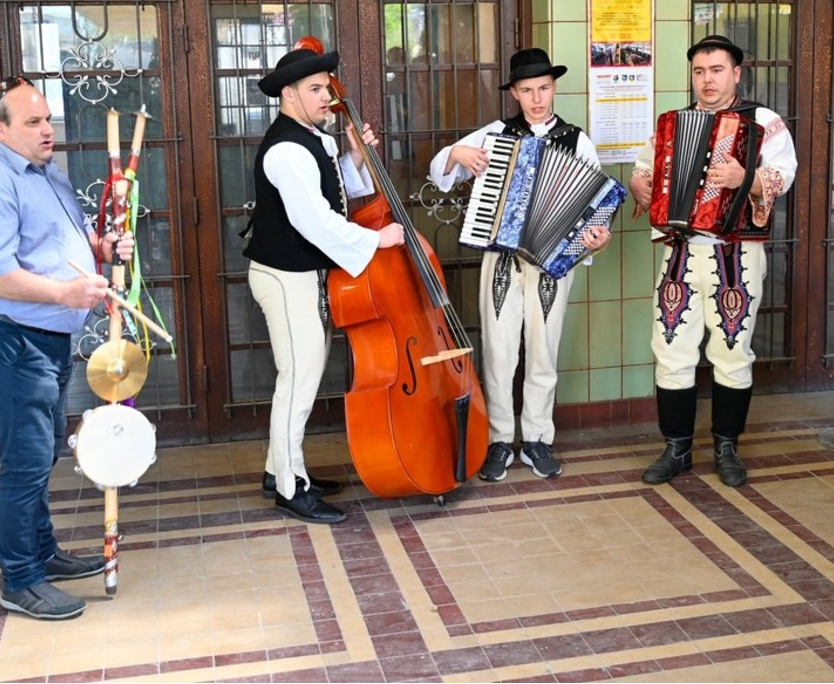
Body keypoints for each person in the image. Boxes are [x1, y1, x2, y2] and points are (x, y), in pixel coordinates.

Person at [0, 76, 135, 620]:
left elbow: (63, 241)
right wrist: (64, 292)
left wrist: (102, 247)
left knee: (45, 446)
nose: (47, 129)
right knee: (26, 458)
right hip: (9, 337)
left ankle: (42, 553)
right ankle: (20, 579)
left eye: (47, 119)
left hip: (44, 334)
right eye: (32, 122)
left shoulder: (45, 173)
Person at [429, 47, 611, 481]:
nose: (537, 98)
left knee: (544, 349)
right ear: (513, 93)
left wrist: (596, 239)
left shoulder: (577, 139)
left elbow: (595, 205)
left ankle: (536, 439)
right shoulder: (494, 134)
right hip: (502, 257)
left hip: (553, 261)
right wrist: (457, 154)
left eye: (544, 88)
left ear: (554, 88)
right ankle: (497, 440)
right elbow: (441, 172)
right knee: (498, 349)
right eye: (527, 90)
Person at [243, 45, 405, 524]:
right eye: (315, 89)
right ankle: (292, 488)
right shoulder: (288, 148)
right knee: (298, 381)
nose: (326, 97)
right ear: (288, 93)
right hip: (287, 277)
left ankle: (280, 470)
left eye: (326, 87)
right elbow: (314, 221)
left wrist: (354, 154)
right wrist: (377, 240)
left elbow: (341, 196)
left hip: (305, 276)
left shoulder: (314, 139)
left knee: (299, 377)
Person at [629, 35, 797, 488]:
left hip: (736, 253)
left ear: (736, 73)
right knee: (671, 349)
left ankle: (727, 447)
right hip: (681, 250)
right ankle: (676, 448)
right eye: (700, 71)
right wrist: (638, 184)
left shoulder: (763, 121)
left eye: (717, 70)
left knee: (732, 350)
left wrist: (749, 177)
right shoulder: (673, 125)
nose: (708, 80)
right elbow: (646, 167)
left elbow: (786, 172)